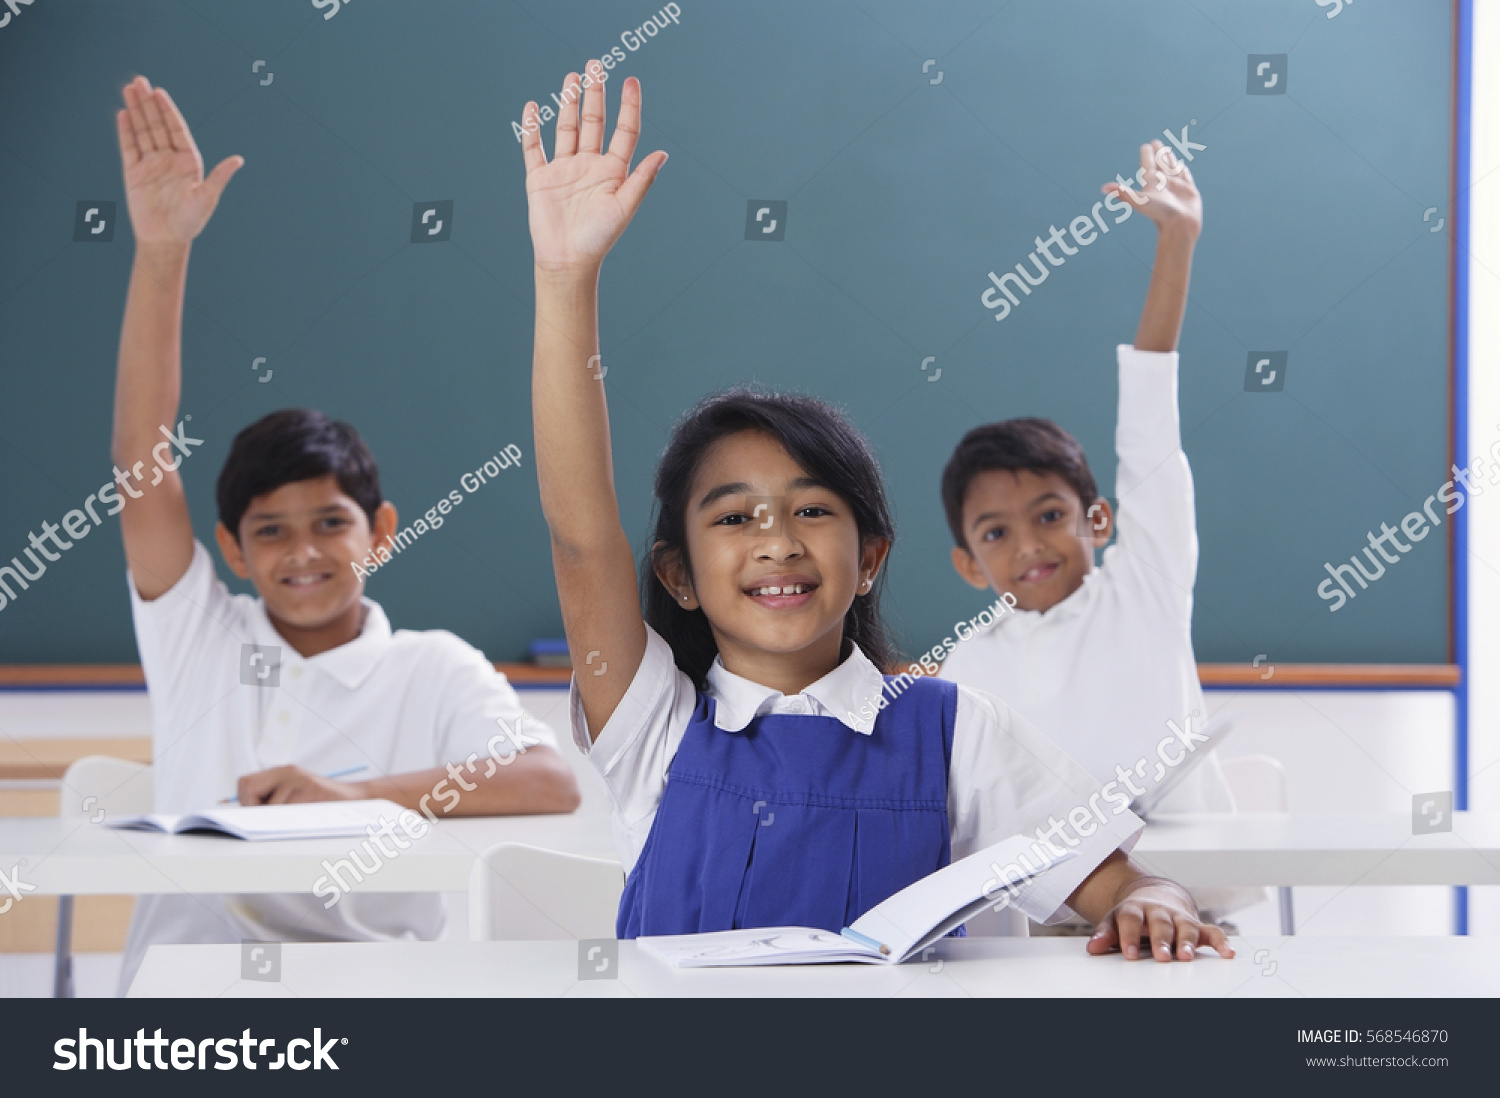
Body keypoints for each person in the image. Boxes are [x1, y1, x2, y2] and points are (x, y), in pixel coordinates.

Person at [520, 62, 1232, 961]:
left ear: (870, 557)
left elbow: (1119, 879)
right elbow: (581, 538)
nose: (776, 540)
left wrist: (1154, 896)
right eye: (734, 520)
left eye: (812, 510)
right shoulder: (654, 723)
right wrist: (564, 277)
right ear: (678, 576)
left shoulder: (952, 727)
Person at [110, 76, 578, 993]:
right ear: (234, 552)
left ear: (382, 532)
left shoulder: (432, 667)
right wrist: (163, 251)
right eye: (271, 532)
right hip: (186, 998)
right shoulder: (201, 636)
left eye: (332, 523)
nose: (305, 553)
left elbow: (547, 782)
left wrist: (350, 798)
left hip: (369, 1000)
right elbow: (142, 459)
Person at [939, 141, 1255, 924]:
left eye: (1051, 516)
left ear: (1099, 520)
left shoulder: (1141, 590)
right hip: (1040, 933)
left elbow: (1148, 430)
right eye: (997, 534)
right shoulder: (963, 667)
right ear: (969, 565)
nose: (1031, 546)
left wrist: (1175, 242)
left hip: (1191, 911)